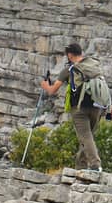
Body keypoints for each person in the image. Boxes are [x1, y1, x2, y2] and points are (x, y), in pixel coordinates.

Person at [40, 42, 103, 170]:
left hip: (78, 108)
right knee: (87, 136)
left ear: (69, 55)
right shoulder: (94, 65)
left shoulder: (69, 70)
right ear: (81, 52)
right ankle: (81, 166)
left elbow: (52, 90)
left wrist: (45, 85)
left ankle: (95, 164)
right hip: (97, 105)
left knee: (85, 136)